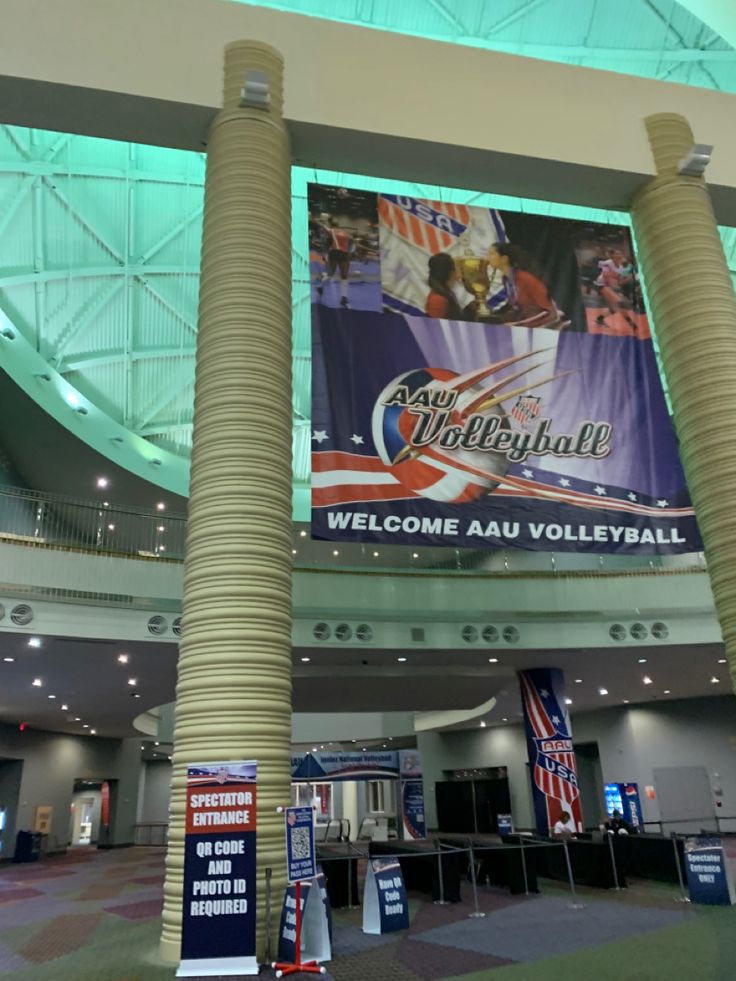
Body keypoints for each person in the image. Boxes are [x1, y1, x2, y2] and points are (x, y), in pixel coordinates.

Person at [486, 242, 567, 329]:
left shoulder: (525, 278)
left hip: (547, 327)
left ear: (504, 259)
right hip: (528, 327)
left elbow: (550, 313)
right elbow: (516, 308)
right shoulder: (506, 279)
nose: (487, 258)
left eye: (491, 254)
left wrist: (519, 324)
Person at [594, 249, 638, 332]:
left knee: (615, 307)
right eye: (617, 254)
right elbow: (606, 276)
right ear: (612, 256)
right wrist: (614, 280)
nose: (619, 255)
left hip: (610, 286)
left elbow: (620, 282)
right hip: (601, 285)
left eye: (620, 253)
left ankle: (600, 319)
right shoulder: (608, 263)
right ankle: (631, 323)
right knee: (619, 302)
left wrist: (629, 278)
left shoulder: (621, 268)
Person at [316, 215, 354, 308]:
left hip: (335, 253)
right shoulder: (346, 233)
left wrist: (318, 220)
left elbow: (322, 226)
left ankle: (321, 287)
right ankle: (343, 298)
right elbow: (352, 242)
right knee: (344, 276)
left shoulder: (332, 231)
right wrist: (350, 253)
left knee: (330, 274)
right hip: (344, 253)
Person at [424, 252, 472, 319]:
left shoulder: (447, 293)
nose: (461, 268)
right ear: (451, 272)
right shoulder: (437, 300)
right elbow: (436, 327)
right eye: (457, 266)